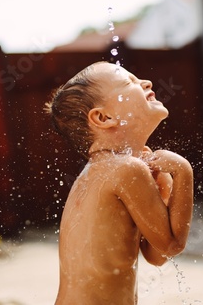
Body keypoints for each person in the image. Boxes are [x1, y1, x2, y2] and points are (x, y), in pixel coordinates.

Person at [44, 61, 194, 305]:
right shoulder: (125, 169)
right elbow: (172, 244)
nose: (146, 82)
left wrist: (165, 182)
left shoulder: (107, 169)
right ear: (104, 117)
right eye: (129, 82)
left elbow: (158, 254)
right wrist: (183, 171)